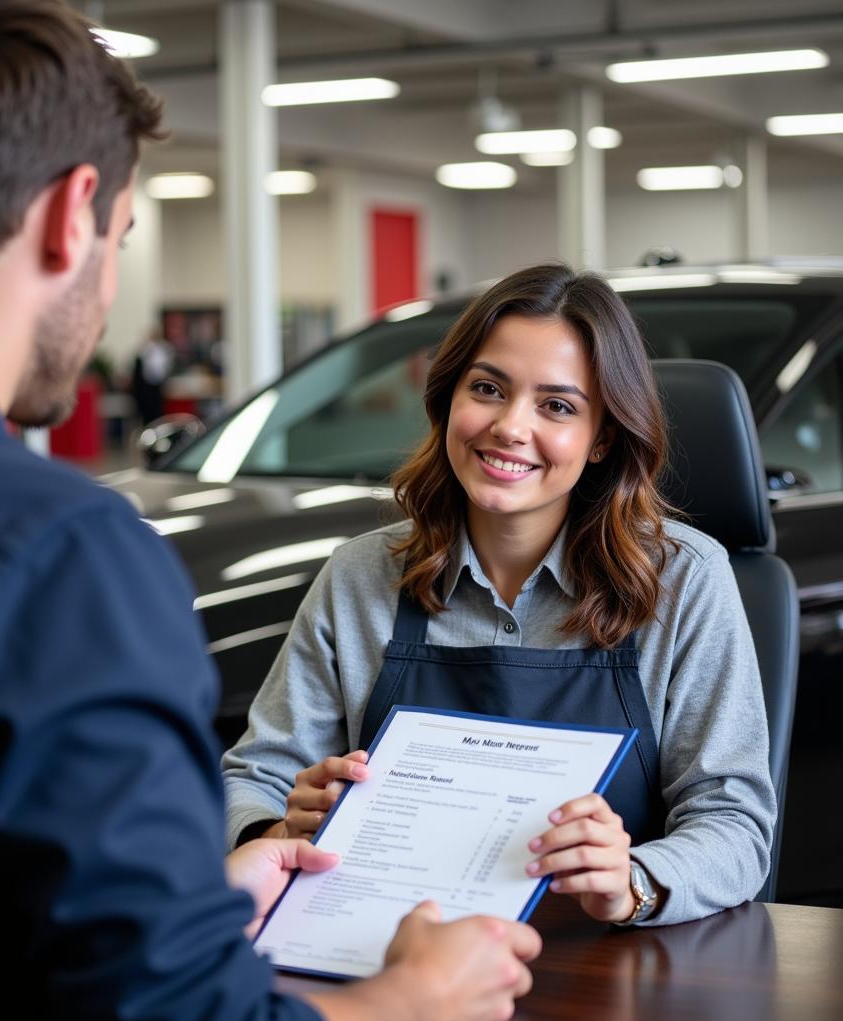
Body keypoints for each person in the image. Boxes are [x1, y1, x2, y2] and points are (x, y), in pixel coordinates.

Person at [0, 2, 540, 1021]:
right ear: (74, 214)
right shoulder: (55, 551)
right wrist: (407, 1000)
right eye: (120, 236)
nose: (108, 283)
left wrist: (181, 908)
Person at [223, 263, 776, 927]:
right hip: (391, 951)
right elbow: (254, 779)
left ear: (602, 438)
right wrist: (278, 831)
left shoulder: (685, 581)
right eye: (488, 388)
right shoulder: (360, 575)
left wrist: (633, 882)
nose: (511, 427)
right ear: (449, 398)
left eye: (557, 406)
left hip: (602, 969)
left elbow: (736, 830)